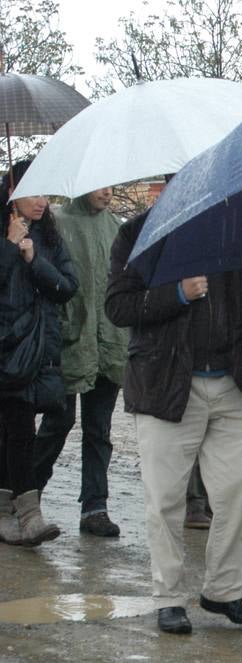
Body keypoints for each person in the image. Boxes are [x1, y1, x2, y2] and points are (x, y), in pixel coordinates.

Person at [105, 205, 242, 636]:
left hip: (233, 381)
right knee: (166, 499)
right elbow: (118, 306)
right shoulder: (139, 233)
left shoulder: (237, 228)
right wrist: (176, 293)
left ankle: (224, 590)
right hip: (165, 383)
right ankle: (169, 597)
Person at [28, 186, 125, 538]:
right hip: (69, 340)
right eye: (102, 185)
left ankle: (95, 507)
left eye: (113, 186)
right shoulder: (58, 223)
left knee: (99, 429)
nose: (109, 192)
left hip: (109, 339)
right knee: (59, 420)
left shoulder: (118, 227)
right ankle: (28, 494)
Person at [0, 161, 77, 546]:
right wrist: (9, 247)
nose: (43, 201)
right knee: (17, 430)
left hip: (43, 351)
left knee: (57, 417)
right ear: (12, 192)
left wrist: (34, 259)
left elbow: (67, 286)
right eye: (34, 192)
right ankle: (28, 515)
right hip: (7, 350)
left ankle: (15, 504)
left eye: (47, 193)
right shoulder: (6, 234)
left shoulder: (48, 237)